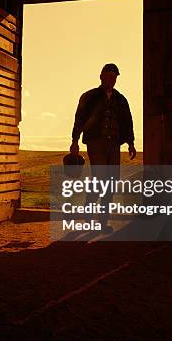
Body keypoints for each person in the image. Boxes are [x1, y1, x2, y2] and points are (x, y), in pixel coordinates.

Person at [70, 63, 136, 234]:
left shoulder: (121, 99)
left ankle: (102, 221)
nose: (111, 79)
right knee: (100, 178)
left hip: (114, 144)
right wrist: (74, 140)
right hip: (95, 142)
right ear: (101, 76)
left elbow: (128, 122)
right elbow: (79, 119)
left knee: (111, 182)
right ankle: (90, 211)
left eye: (114, 77)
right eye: (108, 76)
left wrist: (131, 143)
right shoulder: (89, 97)